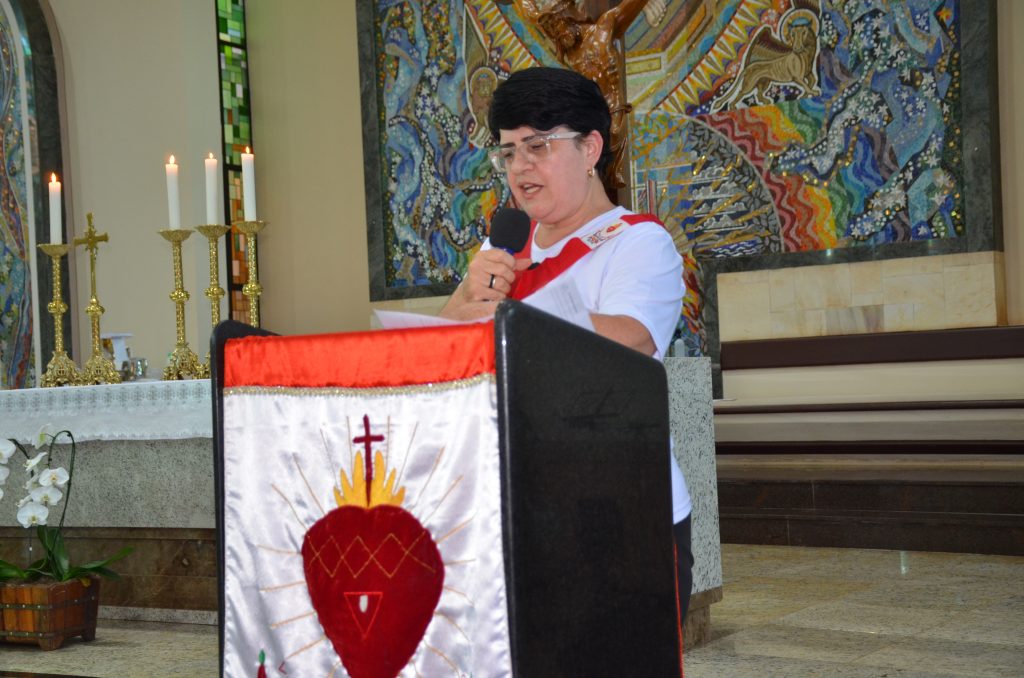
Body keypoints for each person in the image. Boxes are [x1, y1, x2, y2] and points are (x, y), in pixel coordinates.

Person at [440, 65, 694, 626]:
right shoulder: (501, 247)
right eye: (507, 153)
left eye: (538, 146)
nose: (520, 167)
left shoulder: (639, 244)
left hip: (619, 515)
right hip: (510, 507)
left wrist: (507, 315)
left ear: (590, 148)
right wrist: (464, 303)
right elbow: (449, 349)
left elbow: (628, 342)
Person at [511, 0, 652, 192]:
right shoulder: (571, 52)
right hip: (589, 120)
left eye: (561, 26)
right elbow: (530, 14)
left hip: (614, 113)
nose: (559, 34)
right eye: (554, 31)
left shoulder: (602, 29)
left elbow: (628, 7)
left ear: (571, 16)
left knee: (607, 173)